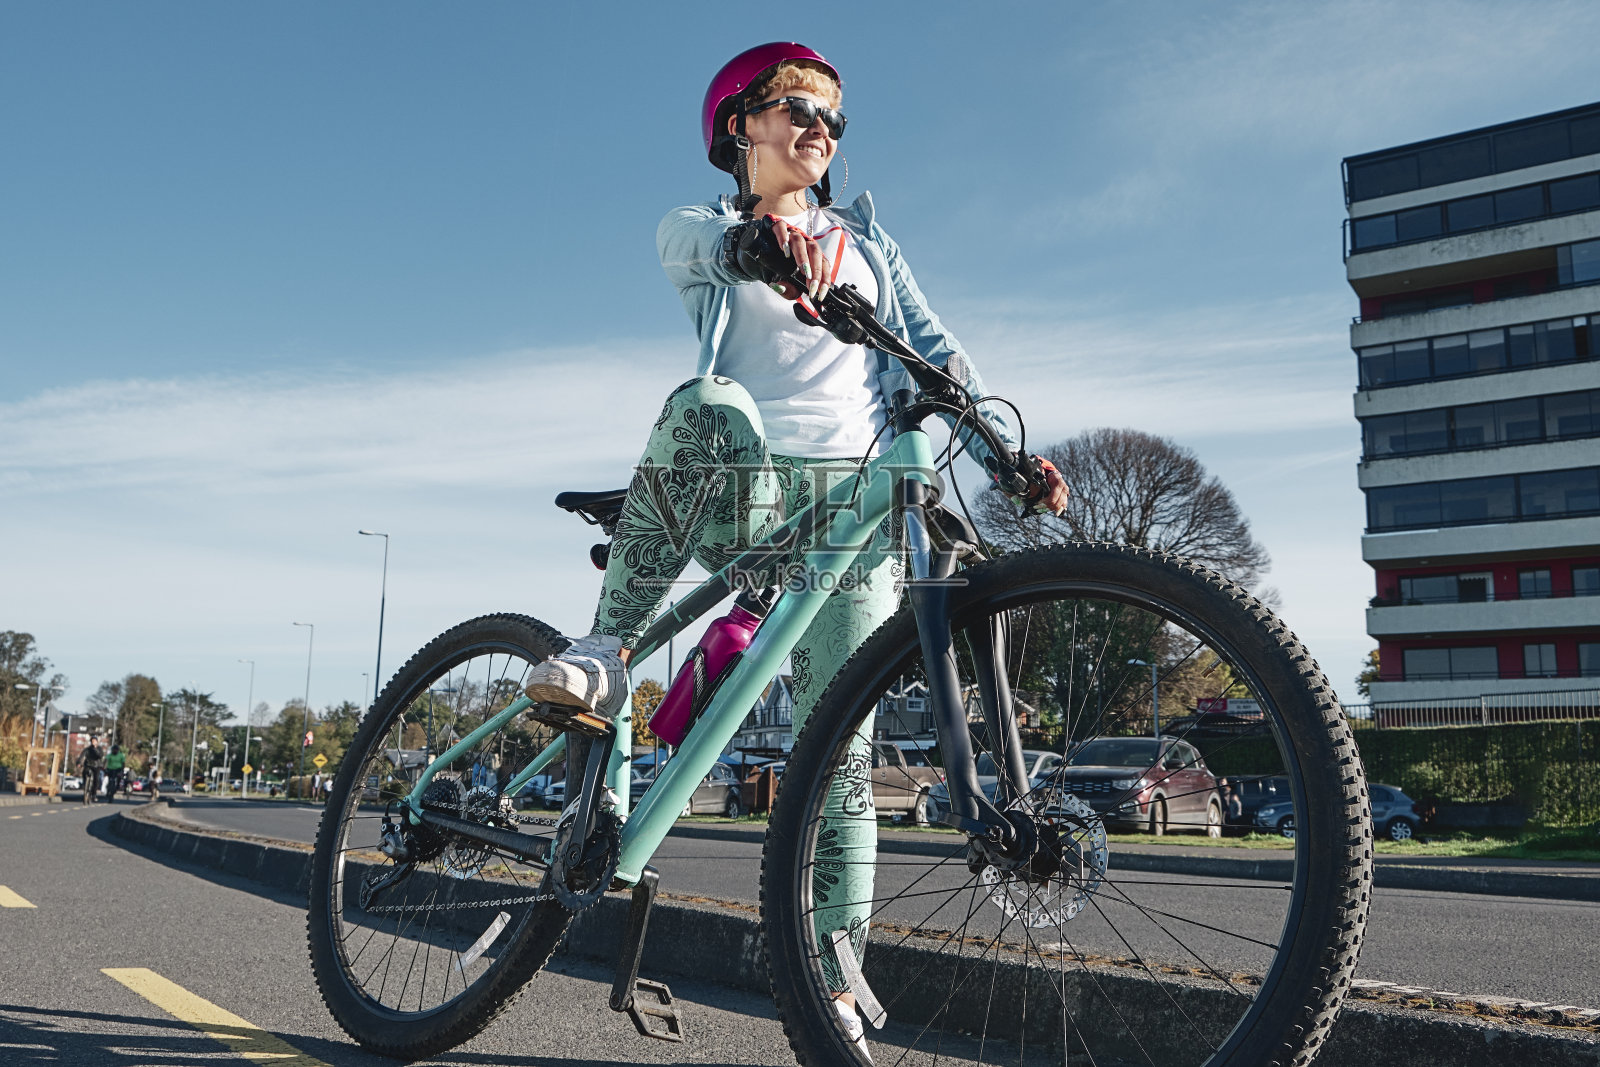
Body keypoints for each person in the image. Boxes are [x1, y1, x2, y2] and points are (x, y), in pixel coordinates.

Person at [519, 43, 1068, 1049]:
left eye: (833, 119)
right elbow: (691, 246)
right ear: (740, 125)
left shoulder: (867, 245)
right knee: (708, 403)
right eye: (796, 108)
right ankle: (605, 646)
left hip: (851, 505)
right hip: (747, 483)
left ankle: (836, 982)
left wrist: (1006, 453)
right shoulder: (710, 224)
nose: (821, 129)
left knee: (842, 760)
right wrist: (761, 244)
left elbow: (939, 351)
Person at [79, 738, 105, 803]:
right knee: (84, 773)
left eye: (94, 741)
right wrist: (79, 762)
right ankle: (85, 787)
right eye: (92, 741)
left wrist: (95, 749)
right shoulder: (87, 749)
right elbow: (82, 755)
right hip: (88, 765)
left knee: (96, 779)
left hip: (96, 765)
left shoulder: (99, 749)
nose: (93, 742)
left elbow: (100, 755)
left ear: (97, 742)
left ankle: (94, 794)